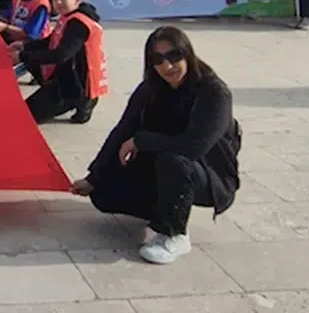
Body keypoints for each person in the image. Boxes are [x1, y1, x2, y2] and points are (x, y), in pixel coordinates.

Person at [71, 26, 241, 265]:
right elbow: (123, 130)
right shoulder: (150, 88)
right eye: (158, 59)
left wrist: (142, 141)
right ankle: (165, 208)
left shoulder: (214, 92)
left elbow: (194, 147)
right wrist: (95, 176)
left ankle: (174, 233)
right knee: (104, 195)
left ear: (187, 54)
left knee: (174, 159)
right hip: (162, 163)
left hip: (207, 172)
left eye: (174, 56)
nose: (167, 66)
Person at [11, 0, 105, 124]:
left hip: (75, 85)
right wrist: (25, 46)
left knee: (24, 117)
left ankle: (83, 101)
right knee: (33, 61)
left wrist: (22, 56)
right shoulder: (68, 16)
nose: (58, 2)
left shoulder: (78, 23)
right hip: (66, 74)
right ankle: (75, 101)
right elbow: (51, 40)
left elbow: (60, 55)